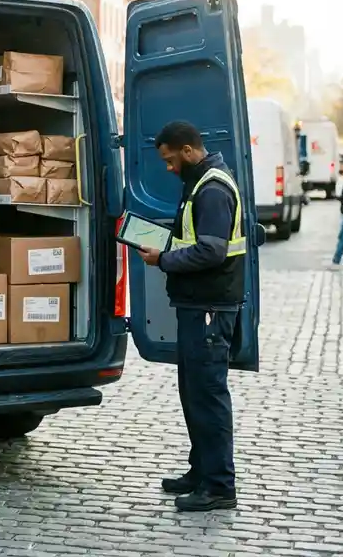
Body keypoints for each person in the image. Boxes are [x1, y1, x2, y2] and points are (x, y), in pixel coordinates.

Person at [136, 120, 243, 512]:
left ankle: (218, 486)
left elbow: (212, 251)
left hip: (210, 309)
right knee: (193, 393)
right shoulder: (198, 184)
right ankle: (201, 471)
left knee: (208, 396)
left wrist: (163, 259)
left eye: (169, 159)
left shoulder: (211, 190)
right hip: (199, 306)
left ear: (186, 151)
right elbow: (195, 242)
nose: (167, 167)